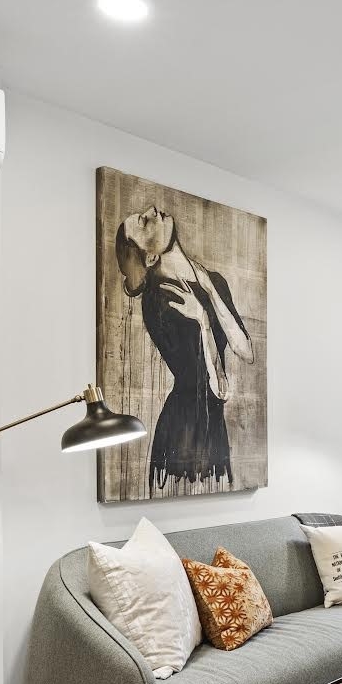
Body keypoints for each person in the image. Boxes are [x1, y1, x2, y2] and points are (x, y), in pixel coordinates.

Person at [115, 205, 254, 489]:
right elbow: (211, 386)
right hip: (185, 429)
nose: (153, 210)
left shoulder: (213, 281)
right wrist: (203, 320)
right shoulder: (158, 301)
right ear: (150, 256)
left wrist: (210, 291)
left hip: (212, 424)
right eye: (144, 223)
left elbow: (246, 351)